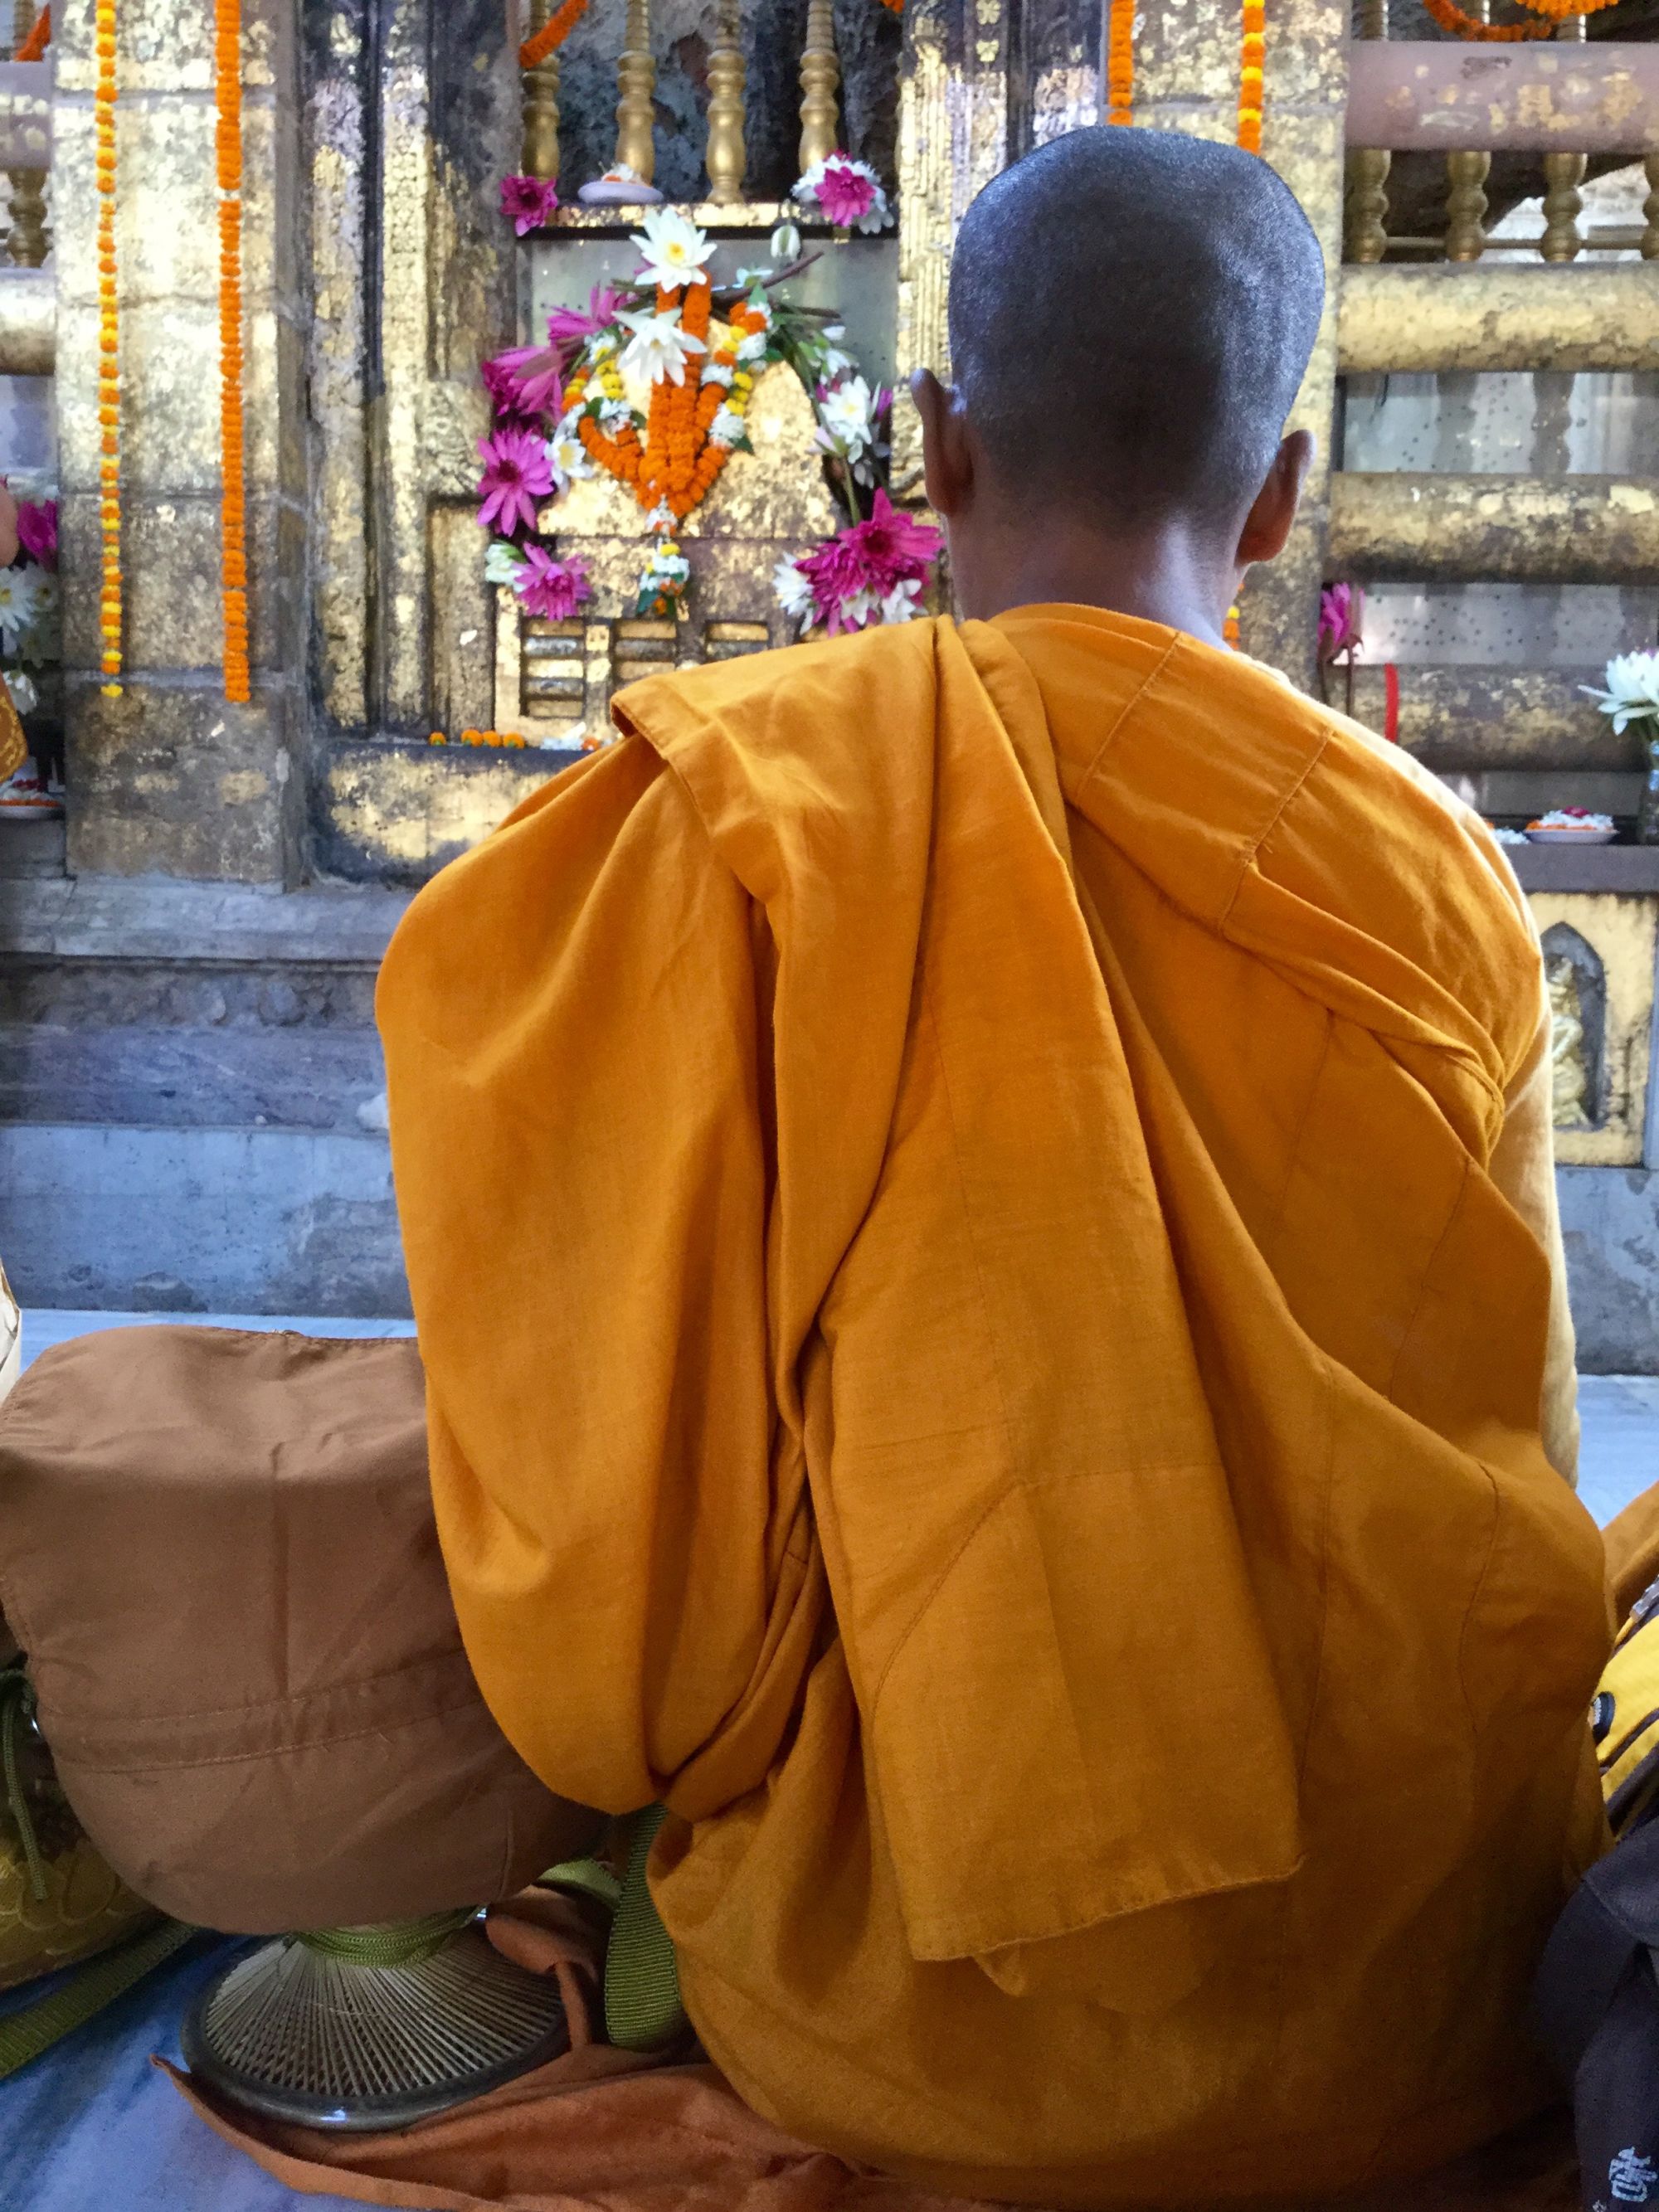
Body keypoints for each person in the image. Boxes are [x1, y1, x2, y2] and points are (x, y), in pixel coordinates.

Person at [377, 128, 1610, 2207]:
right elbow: (1506, 1427)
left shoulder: (737, 823)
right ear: (1285, 494)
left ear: (930, 447)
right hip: (1422, 1983)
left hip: (899, 1998)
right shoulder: (1433, 868)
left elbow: (615, 1597)